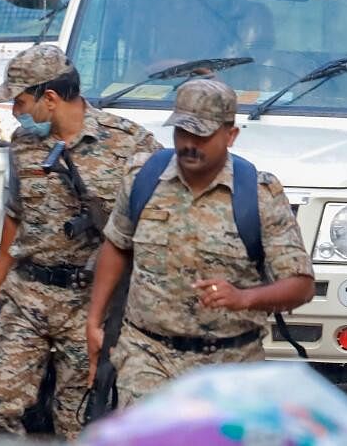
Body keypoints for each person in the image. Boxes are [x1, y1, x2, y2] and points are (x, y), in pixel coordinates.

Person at [0, 44, 160, 440]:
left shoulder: (130, 144)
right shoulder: (23, 144)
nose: (16, 112)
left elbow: (157, 226)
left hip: (89, 304)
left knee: (78, 423)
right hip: (28, 295)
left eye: (20, 102)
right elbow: (15, 215)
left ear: (49, 98)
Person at [86, 79, 315, 406]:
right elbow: (117, 245)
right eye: (182, 132)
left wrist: (243, 298)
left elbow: (301, 286)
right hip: (148, 356)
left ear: (230, 135)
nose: (189, 144)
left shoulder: (260, 196)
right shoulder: (142, 177)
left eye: (202, 135)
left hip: (230, 364)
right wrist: (94, 321)